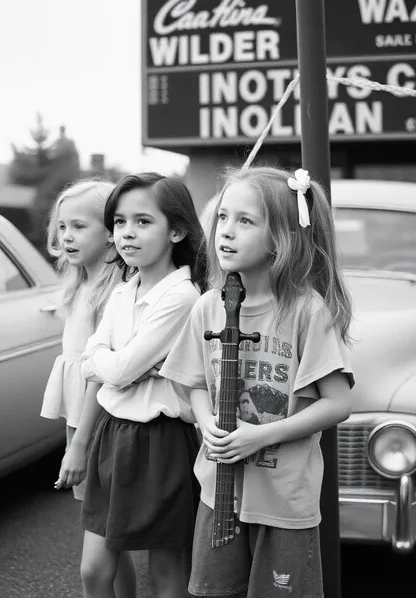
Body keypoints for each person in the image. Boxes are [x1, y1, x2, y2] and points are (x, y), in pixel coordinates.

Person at [160, 166, 355, 598]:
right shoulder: (208, 306)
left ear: (281, 238)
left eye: (245, 221)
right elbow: (191, 381)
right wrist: (206, 419)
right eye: (223, 218)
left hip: (283, 500)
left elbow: (337, 403)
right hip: (217, 493)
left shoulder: (308, 311)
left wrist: (260, 436)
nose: (226, 232)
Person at [78, 172, 207, 598]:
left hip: (162, 441)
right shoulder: (121, 291)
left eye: (142, 221)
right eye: (119, 222)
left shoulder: (182, 296)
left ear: (176, 230)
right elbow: (95, 362)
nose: (126, 233)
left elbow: (114, 371)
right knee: (94, 570)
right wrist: (110, 363)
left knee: (167, 570)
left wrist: (108, 362)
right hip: (112, 435)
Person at [40, 179, 140, 597]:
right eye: (61, 227)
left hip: (99, 423)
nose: (66, 236)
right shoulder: (81, 282)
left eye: (78, 226)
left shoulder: (115, 292)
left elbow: (103, 377)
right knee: (109, 539)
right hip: (81, 420)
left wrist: (79, 444)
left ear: (111, 232)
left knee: (104, 541)